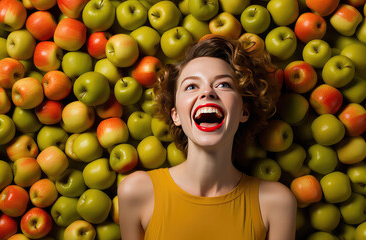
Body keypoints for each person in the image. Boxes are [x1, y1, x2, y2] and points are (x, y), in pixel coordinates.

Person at [117, 36, 297, 240]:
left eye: (223, 85)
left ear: (244, 111)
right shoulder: (136, 192)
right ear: (175, 115)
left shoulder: (276, 203)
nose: (207, 92)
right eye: (191, 86)